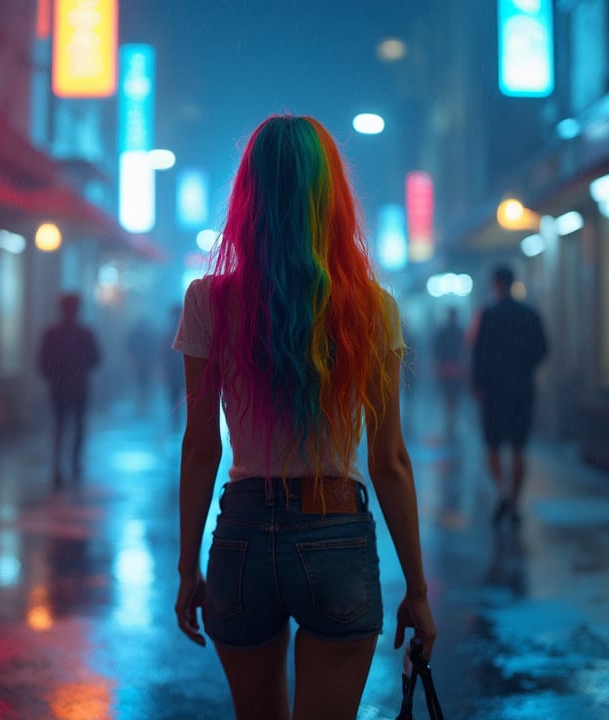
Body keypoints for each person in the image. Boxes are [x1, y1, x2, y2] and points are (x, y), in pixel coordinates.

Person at [172, 115, 436, 720]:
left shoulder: (207, 301)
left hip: (240, 539)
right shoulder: (372, 309)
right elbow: (389, 459)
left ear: (249, 196)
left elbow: (200, 448)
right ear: (332, 198)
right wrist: (416, 592)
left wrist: (189, 568)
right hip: (335, 533)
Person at [470, 265, 548, 527]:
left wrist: (479, 385)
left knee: (492, 445)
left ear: (496, 284)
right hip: (522, 390)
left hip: (493, 392)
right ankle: (514, 501)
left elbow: (478, 354)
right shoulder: (529, 314)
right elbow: (543, 349)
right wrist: (523, 369)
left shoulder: (489, 316)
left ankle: (502, 493)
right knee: (519, 447)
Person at [37, 293, 101, 486]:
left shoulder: (52, 333)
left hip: (59, 386)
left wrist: (54, 375)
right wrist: (79, 368)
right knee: (78, 425)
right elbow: (96, 358)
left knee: (60, 424)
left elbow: (43, 361)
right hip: (78, 386)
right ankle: (74, 461)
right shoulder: (84, 333)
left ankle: (58, 463)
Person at [431, 307, 466, 437]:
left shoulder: (442, 332)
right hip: (457, 369)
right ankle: (452, 417)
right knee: (454, 395)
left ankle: (449, 418)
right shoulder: (460, 331)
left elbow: (436, 350)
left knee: (447, 395)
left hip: (445, 369)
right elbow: (465, 350)